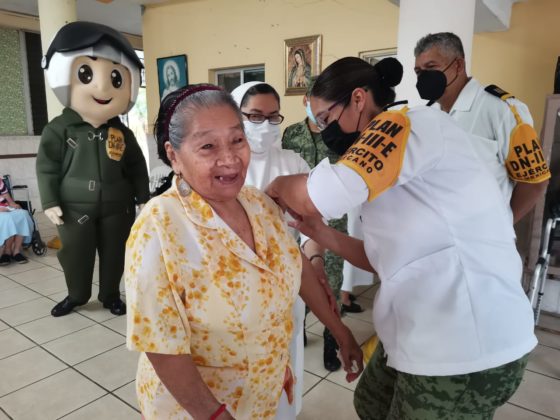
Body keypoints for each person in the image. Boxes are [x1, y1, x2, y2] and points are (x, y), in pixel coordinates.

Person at [266, 56, 536, 419]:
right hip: (420, 328)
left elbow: (316, 195)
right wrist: (320, 233)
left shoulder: (405, 124)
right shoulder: (390, 163)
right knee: (370, 403)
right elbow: (383, 256)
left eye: (327, 119)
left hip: (465, 340)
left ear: (358, 99)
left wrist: (273, 187)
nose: (326, 131)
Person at [125, 84, 363, 420]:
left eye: (237, 140)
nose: (229, 158)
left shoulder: (259, 203)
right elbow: (161, 345)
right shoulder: (160, 226)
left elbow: (295, 267)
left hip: (266, 393)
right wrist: (214, 415)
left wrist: (339, 330)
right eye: (208, 146)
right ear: (174, 156)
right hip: (197, 409)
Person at [37, 21, 150, 317]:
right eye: (86, 73)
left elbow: (137, 166)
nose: (102, 87)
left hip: (118, 207)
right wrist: (50, 201)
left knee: (116, 253)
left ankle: (111, 294)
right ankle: (76, 295)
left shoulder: (122, 133)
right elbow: (46, 167)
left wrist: (143, 197)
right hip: (73, 208)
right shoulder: (59, 129)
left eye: (116, 77)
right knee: (75, 253)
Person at [414, 32, 550, 224]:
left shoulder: (502, 110)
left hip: (483, 235)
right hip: (438, 232)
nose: (424, 77)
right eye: (419, 72)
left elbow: (535, 183)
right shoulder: (426, 115)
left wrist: (501, 229)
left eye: (431, 67)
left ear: (458, 65)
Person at [281, 79, 368, 372]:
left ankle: (332, 341)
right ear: (305, 100)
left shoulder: (343, 131)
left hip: (331, 222)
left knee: (329, 279)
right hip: (295, 220)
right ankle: (302, 327)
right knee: (299, 281)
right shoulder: (291, 133)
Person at [0, 178, 33, 265]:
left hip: (5, 207)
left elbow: (6, 195)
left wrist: (12, 204)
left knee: (23, 214)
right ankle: (7, 252)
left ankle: (16, 251)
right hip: (2, 211)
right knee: (8, 219)